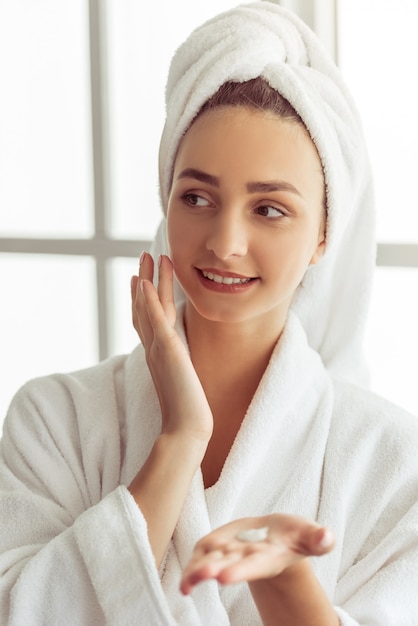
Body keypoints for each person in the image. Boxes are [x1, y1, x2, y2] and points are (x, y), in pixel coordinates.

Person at [0, 2, 417, 624]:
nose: (224, 242)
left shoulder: (391, 461)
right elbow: (22, 612)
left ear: (324, 235)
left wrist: (286, 580)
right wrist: (179, 439)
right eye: (197, 196)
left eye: (269, 209)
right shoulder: (53, 421)